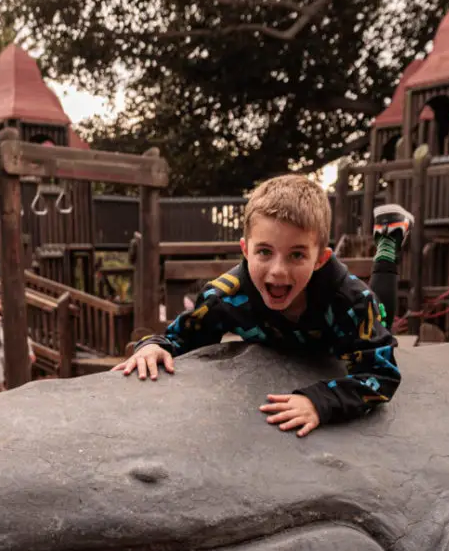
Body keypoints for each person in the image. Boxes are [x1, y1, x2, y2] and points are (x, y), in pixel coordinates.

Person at [113, 175, 413, 437]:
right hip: (298, 332)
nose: (278, 270)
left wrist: (320, 402)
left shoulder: (352, 302)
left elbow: (381, 375)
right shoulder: (223, 298)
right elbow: (182, 337)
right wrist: (153, 345)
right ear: (245, 251)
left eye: (297, 255)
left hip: (338, 330)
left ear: (320, 259)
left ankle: (388, 241)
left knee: (382, 314)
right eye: (265, 252)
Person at [0, 293, 36, 393]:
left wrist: (30, 351)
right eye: (0, 304)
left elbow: (24, 336)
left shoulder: (15, 317)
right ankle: (2, 395)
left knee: (17, 379)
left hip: (13, 353)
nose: (2, 307)